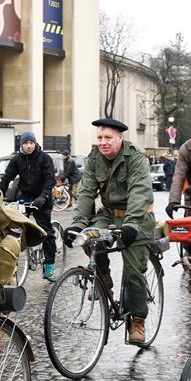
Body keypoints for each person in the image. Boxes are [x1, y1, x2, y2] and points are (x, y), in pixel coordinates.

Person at [66, 118, 154, 346]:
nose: (103, 143)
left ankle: (137, 320)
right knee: (88, 236)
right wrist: (77, 224)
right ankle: (103, 277)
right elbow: (86, 191)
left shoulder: (135, 157)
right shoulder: (95, 157)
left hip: (137, 217)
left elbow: (139, 192)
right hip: (108, 214)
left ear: (120, 138)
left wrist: (132, 224)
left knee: (134, 272)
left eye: (108, 138)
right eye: (99, 138)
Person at [0, 131, 57, 280]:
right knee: (16, 228)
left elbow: (50, 180)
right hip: (26, 197)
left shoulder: (44, 158)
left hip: (42, 198)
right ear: (21, 145)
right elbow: (7, 178)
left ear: (35, 144)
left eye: (31, 143)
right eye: (26, 143)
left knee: (46, 231)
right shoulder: (17, 160)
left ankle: (49, 264)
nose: (29, 146)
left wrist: (43, 197)